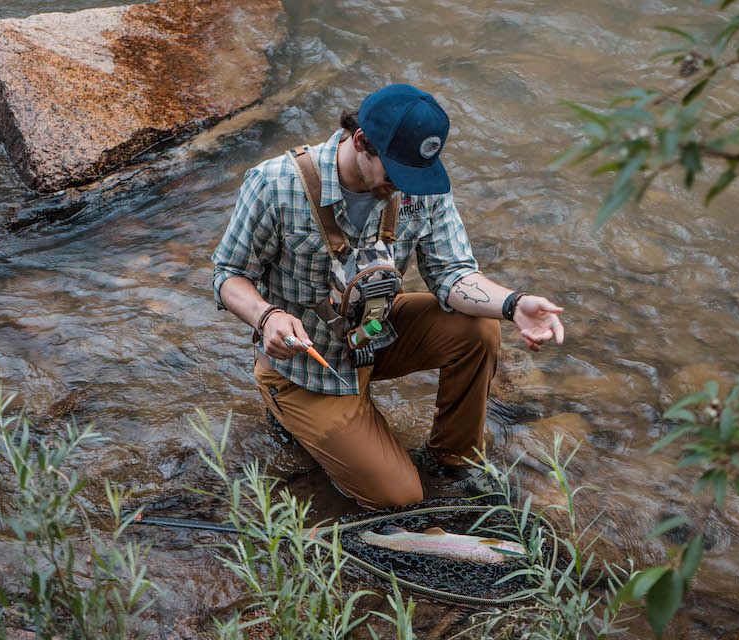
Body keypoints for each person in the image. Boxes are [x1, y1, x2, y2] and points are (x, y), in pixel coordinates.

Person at [211, 84, 564, 509]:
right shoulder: (275, 184)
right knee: (400, 497)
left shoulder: (418, 184)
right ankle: (290, 414)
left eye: (417, 174)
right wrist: (266, 318)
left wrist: (514, 304)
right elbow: (228, 274)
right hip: (306, 364)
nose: (406, 186)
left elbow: (452, 273)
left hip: (375, 332)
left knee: (479, 327)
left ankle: (451, 462)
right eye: (397, 172)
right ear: (361, 141)